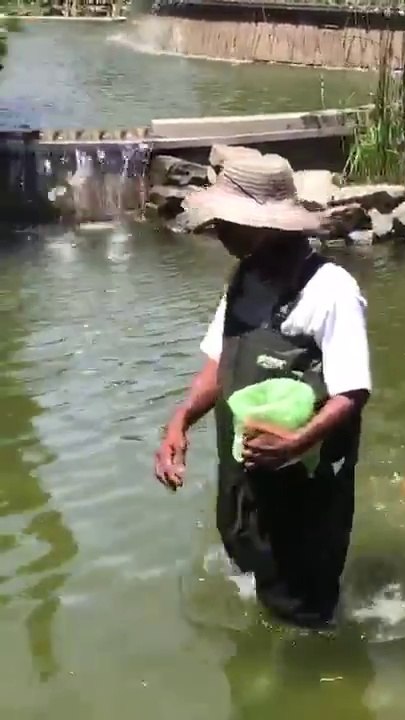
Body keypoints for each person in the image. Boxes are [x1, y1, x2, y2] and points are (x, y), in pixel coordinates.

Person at [153, 153, 372, 629]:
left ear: (267, 225)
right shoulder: (244, 279)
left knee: (303, 609)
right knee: (249, 561)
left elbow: (352, 393)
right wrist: (180, 421)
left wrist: (295, 444)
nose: (218, 228)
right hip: (247, 472)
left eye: (229, 220)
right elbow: (219, 360)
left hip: (306, 478)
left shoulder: (331, 290)